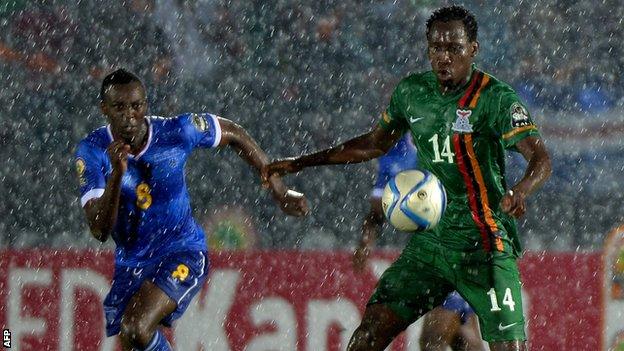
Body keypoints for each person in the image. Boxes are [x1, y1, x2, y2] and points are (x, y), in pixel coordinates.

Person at [263, 5, 551, 351]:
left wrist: (522, 189)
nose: (444, 57)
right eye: (436, 48)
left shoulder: (497, 99)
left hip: (484, 246)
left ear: (473, 50)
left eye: (454, 48)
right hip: (432, 246)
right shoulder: (412, 93)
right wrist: (300, 163)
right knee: (369, 335)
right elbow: (372, 144)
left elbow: (540, 157)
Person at [75, 69, 308, 351]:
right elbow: (99, 230)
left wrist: (278, 190)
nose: (129, 116)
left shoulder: (177, 131)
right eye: (119, 108)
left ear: (145, 105)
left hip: (181, 249)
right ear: (104, 109)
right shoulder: (92, 151)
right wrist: (115, 176)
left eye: (136, 106)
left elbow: (233, 133)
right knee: (132, 339)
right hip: (132, 260)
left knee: (136, 327)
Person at [353, 134, 484, 351]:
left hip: (457, 249)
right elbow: (378, 207)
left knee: (433, 340)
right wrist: (366, 242)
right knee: (462, 338)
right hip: (437, 252)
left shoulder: (451, 140)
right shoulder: (396, 148)